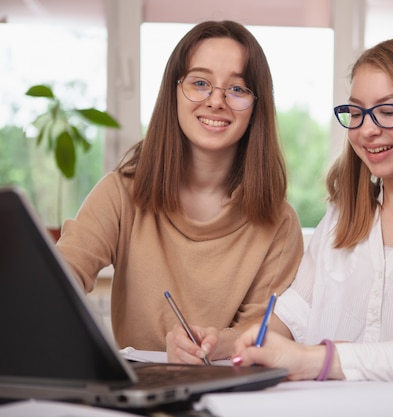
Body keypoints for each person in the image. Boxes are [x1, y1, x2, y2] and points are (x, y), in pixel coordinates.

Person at [170, 37, 393, 415]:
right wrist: (221, 343)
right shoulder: (342, 218)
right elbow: (290, 320)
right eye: (356, 112)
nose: (366, 130)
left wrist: (331, 365)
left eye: (388, 111)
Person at [56, 20, 304, 355]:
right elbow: (62, 276)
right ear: (174, 90)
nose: (216, 101)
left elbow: (262, 332)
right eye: (200, 82)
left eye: (237, 89)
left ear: (256, 105)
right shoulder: (119, 193)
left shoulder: (280, 223)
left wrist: (215, 345)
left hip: (230, 394)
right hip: (139, 397)